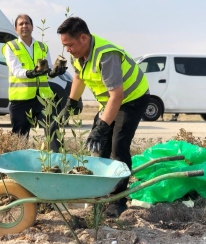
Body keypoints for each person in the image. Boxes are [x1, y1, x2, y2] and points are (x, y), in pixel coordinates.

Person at [57, 17, 150, 217]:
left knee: (118, 149)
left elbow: (117, 96)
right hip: (109, 102)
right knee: (98, 148)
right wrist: (71, 103)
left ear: (83, 38)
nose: (67, 50)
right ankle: (100, 194)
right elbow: (79, 76)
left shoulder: (106, 55)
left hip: (132, 99)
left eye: (69, 45)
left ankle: (118, 200)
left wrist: (102, 127)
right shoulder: (78, 53)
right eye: (64, 45)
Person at [2, 14, 67, 152]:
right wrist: (31, 73)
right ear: (15, 29)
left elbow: (47, 70)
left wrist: (54, 72)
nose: (24, 26)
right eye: (21, 24)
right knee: (20, 136)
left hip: (44, 98)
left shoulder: (42, 47)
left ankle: (57, 162)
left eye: (27, 23)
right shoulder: (10, 46)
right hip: (21, 99)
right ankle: (18, 167)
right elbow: (16, 70)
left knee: (53, 129)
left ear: (32, 26)